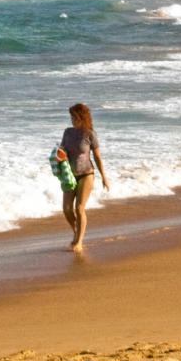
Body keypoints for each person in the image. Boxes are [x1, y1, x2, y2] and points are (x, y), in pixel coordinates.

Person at [59, 103, 109, 252]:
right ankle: (76, 233)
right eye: (71, 117)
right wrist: (58, 159)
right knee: (67, 209)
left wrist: (104, 177)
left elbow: (98, 157)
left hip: (87, 173)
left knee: (79, 208)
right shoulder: (67, 132)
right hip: (70, 175)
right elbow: (62, 151)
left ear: (82, 117)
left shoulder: (90, 134)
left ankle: (79, 241)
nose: (72, 120)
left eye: (74, 117)